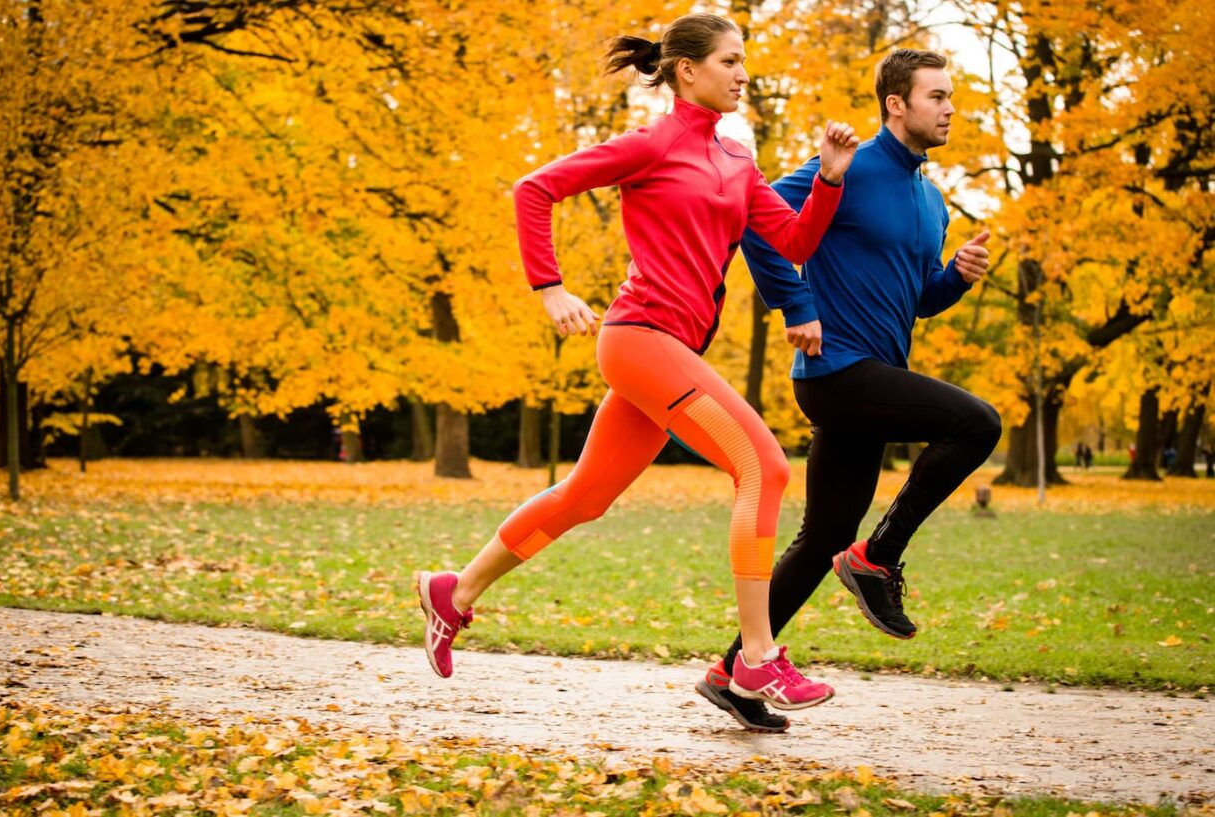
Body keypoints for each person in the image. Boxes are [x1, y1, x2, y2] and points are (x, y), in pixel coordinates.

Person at [416, 13, 860, 714]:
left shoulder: (738, 162)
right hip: (639, 336)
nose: (743, 73)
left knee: (586, 497)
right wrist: (550, 286)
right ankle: (756, 659)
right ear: (688, 71)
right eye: (730, 61)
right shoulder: (649, 144)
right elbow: (534, 190)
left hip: (672, 351)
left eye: (745, 61)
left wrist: (830, 178)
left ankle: (456, 590)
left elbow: (797, 239)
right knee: (765, 467)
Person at [695, 48, 1002, 731]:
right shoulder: (852, 165)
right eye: (938, 96)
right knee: (977, 423)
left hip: (869, 377)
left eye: (952, 97)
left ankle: (733, 673)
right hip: (837, 371)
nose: (950, 108)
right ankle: (877, 558)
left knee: (821, 535)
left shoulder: (931, 198)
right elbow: (757, 221)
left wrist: (956, 277)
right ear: (897, 104)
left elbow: (918, 299)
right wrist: (795, 305)